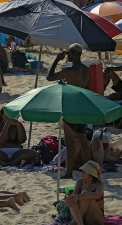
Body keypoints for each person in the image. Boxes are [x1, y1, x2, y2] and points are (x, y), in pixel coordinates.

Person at [46, 44, 91, 179]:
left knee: (70, 142)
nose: (68, 56)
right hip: (82, 107)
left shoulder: (71, 70)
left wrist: (56, 59)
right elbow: (88, 90)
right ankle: (88, 170)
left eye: (69, 54)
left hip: (71, 108)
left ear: (72, 54)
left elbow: (50, 77)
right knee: (83, 139)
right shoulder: (87, 71)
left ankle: (69, 172)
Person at [64, 161, 105, 225]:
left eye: (84, 172)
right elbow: (74, 197)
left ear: (91, 174)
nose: (82, 173)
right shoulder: (80, 182)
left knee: (85, 194)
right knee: (72, 199)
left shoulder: (99, 184)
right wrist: (69, 199)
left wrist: (78, 197)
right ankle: (79, 223)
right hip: (81, 217)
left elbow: (98, 195)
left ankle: (73, 223)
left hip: (95, 217)